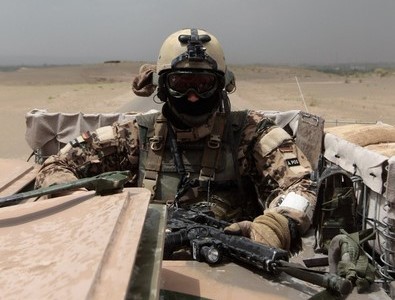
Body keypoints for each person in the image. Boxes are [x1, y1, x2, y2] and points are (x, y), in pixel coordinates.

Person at [35, 28, 316, 255]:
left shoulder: (249, 133)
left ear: (221, 85)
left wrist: (274, 227)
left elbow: (300, 184)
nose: (193, 95)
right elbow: (55, 167)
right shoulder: (135, 135)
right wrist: (91, 211)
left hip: (235, 259)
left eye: (203, 84)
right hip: (146, 260)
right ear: (162, 85)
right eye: (181, 84)